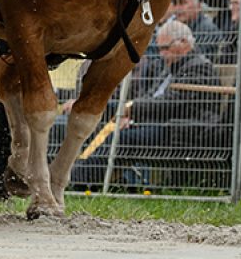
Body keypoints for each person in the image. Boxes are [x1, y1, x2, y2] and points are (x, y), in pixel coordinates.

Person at [72, 19, 221, 189]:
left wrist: (133, 110)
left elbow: (174, 104)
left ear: (185, 43)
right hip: (159, 122)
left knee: (124, 138)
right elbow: (150, 95)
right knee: (104, 117)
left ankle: (79, 181)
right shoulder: (170, 66)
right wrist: (132, 114)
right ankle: (85, 176)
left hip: (182, 128)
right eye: (160, 49)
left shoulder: (199, 67)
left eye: (166, 48)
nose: (162, 54)